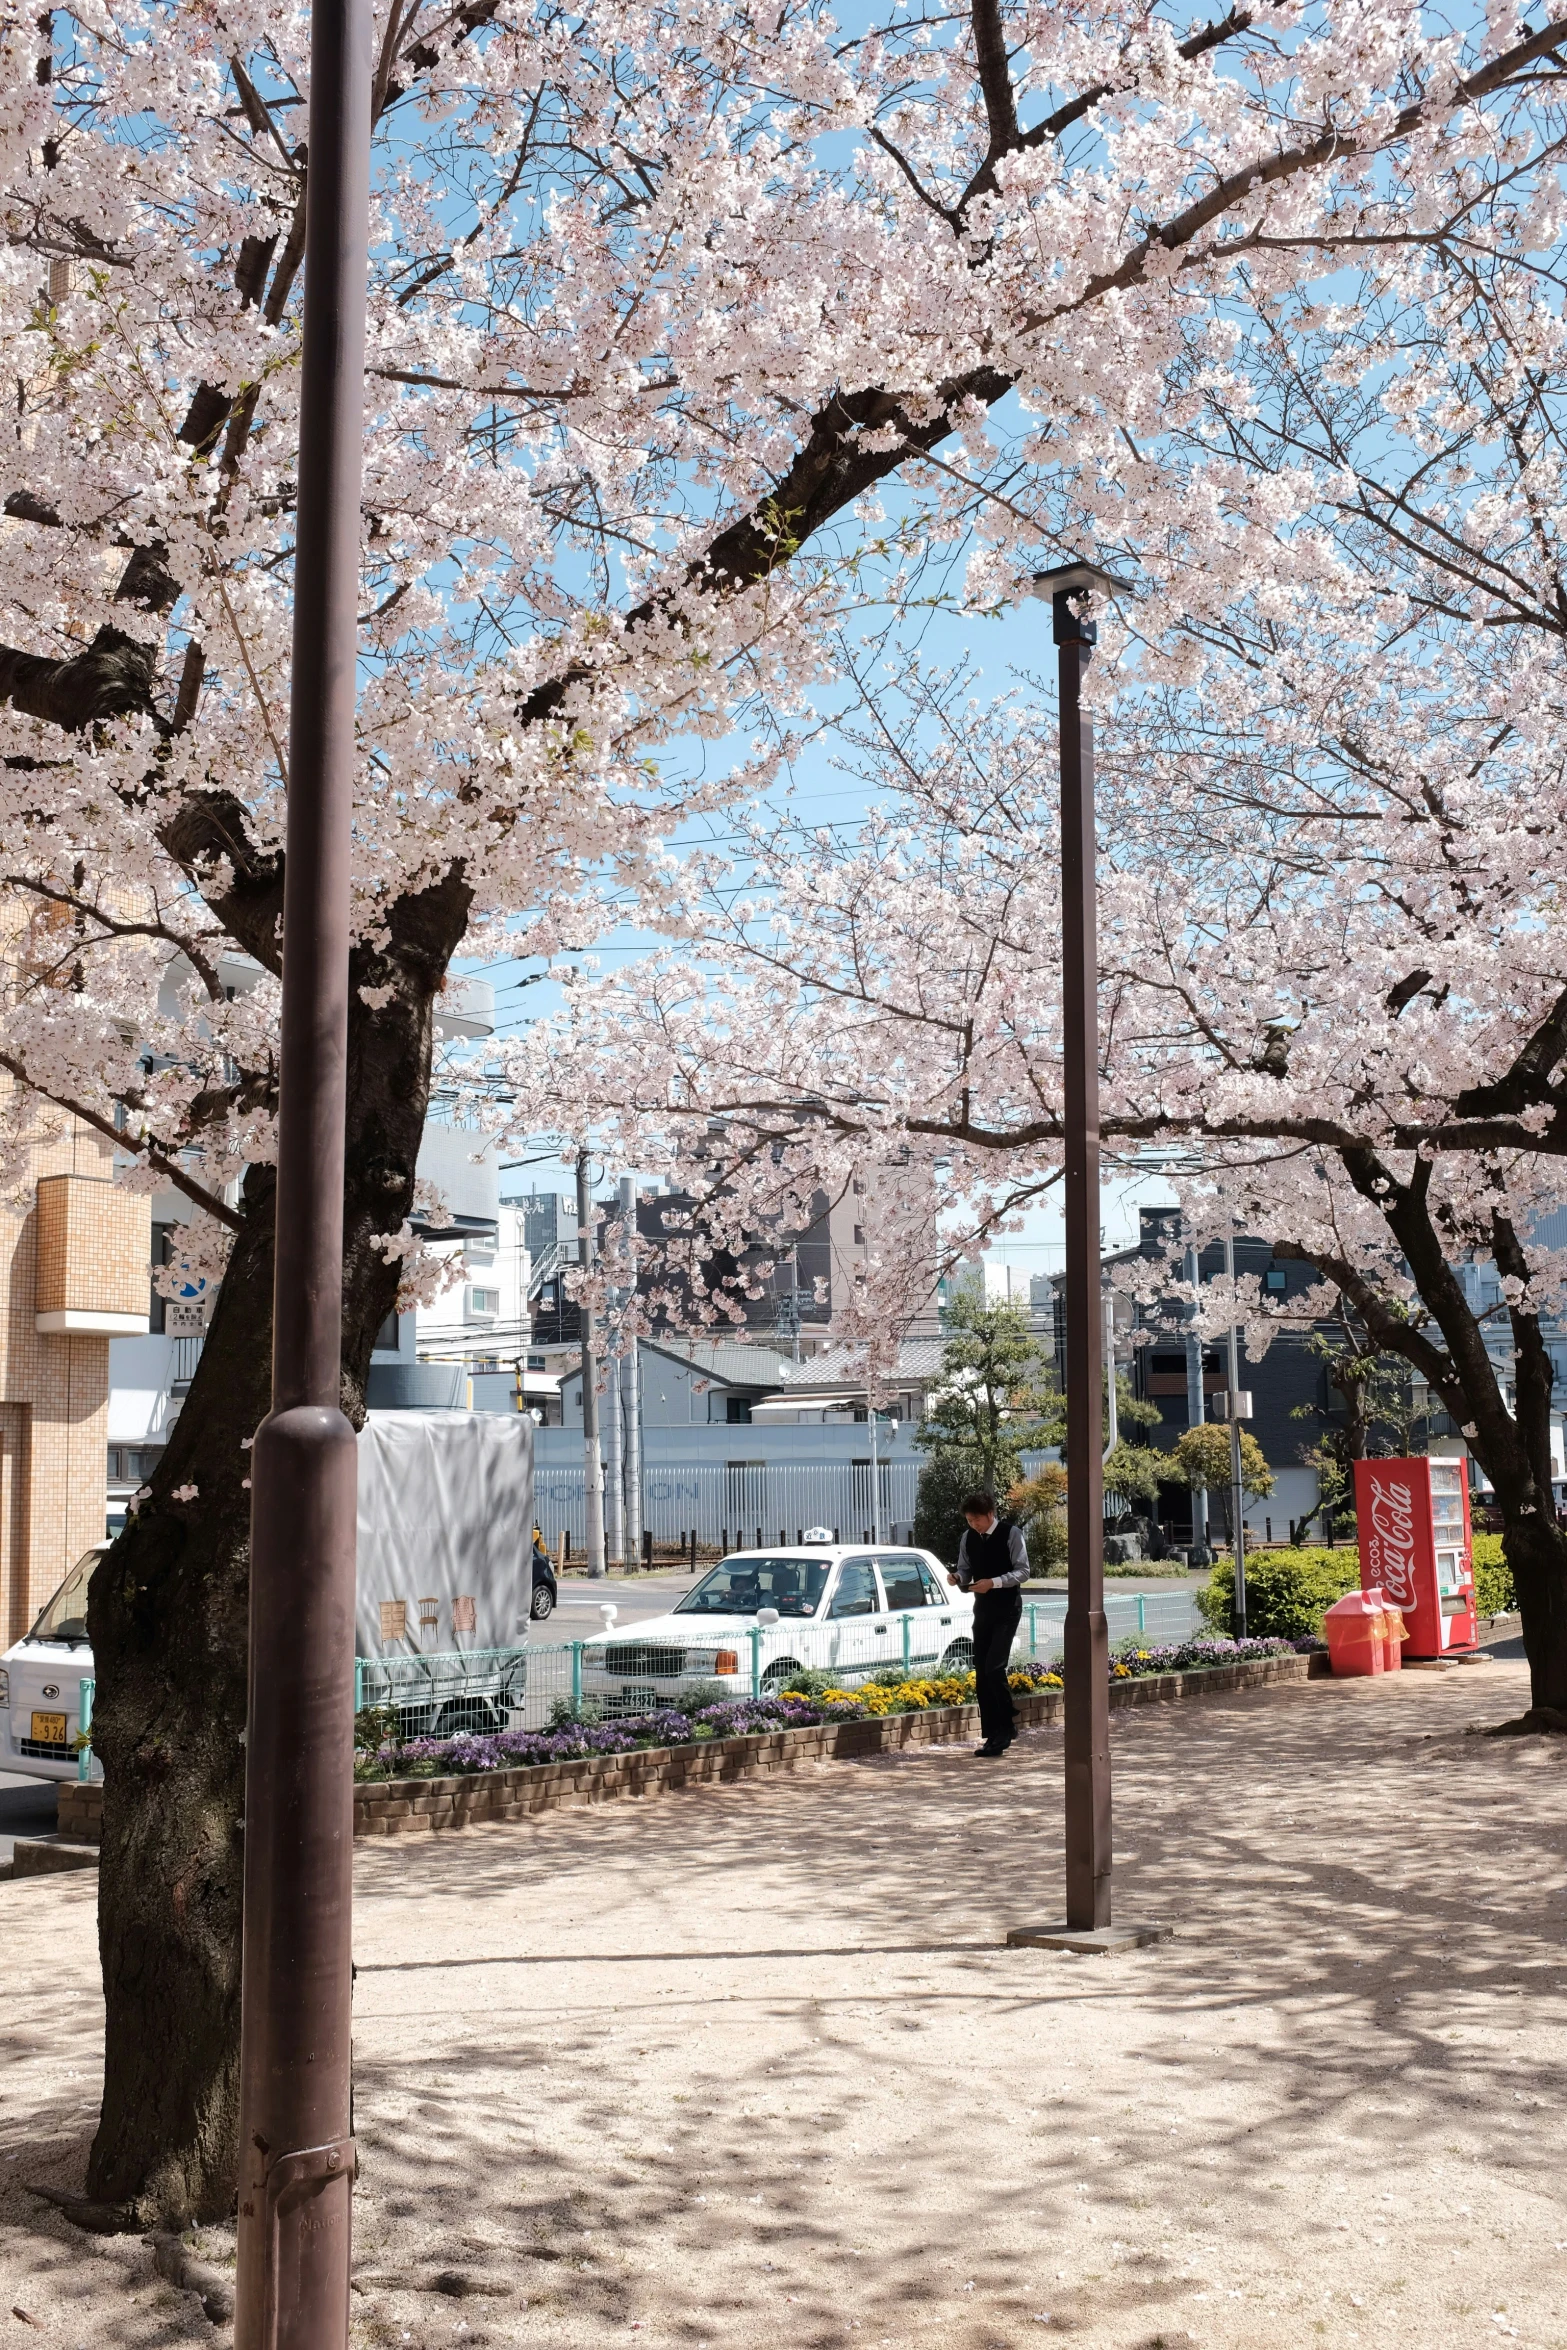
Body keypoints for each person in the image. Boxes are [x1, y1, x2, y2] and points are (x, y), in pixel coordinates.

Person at [952, 1490, 1030, 1757]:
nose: (974, 1525)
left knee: (995, 1667)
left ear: (990, 1514)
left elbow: (1023, 1571)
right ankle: (992, 1734)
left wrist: (994, 1582)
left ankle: (1006, 1727)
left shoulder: (1011, 1533)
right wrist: (957, 1577)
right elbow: (965, 1569)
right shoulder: (967, 1538)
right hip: (982, 1609)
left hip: (1007, 1609)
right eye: (969, 1521)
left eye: (977, 1520)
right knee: (982, 1673)